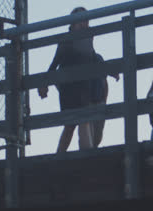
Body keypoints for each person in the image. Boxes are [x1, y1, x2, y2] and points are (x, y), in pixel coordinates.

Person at [38, 7, 95, 152]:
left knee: (76, 122)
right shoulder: (66, 40)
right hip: (69, 85)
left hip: (83, 84)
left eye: (86, 20)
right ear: (73, 23)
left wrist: (110, 71)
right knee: (77, 120)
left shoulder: (88, 38)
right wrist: (45, 84)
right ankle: (86, 154)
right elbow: (55, 62)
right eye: (80, 21)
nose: (84, 24)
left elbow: (93, 57)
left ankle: (61, 154)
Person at [90, 53, 120, 148]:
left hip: (99, 100)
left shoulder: (97, 57)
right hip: (91, 102)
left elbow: (107, 69)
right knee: (91, 132)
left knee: (96, 133)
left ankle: (93, 150)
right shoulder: (93, 57)